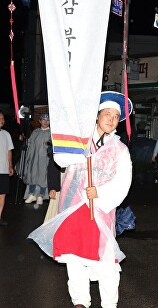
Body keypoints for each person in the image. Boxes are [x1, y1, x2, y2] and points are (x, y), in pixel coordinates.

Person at [28, 91, 134, 308]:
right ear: (97, 115)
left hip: (101, 211)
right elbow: (60, 159)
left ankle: (109, 304)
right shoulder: (78, 141)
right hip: (74, 208)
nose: (111, 120)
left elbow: (124, 181)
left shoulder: (120, 150)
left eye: (116, 116)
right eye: (107, 114)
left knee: (105, 261)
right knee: (74, 258)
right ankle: (80, 301)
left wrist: (101, 193)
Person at [21, 113, 52, 205]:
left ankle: (41, 196)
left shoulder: (51, 133)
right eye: (43, 120)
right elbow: (29, 143)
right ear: (40, 121)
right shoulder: (35, 132)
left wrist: (49, 144)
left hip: (45, 159)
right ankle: (32, 194)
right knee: (32, 174)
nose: (45, 122)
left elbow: (53, 145)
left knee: (43, 176)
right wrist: (24, 140)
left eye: (48, 120)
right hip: (34, 158)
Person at [0, 110, 15, 226]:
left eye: (3, 119)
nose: (2, 121)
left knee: (2, 195)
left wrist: (10, 166)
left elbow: (9, 151)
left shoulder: (6, 134)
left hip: (4, 170)